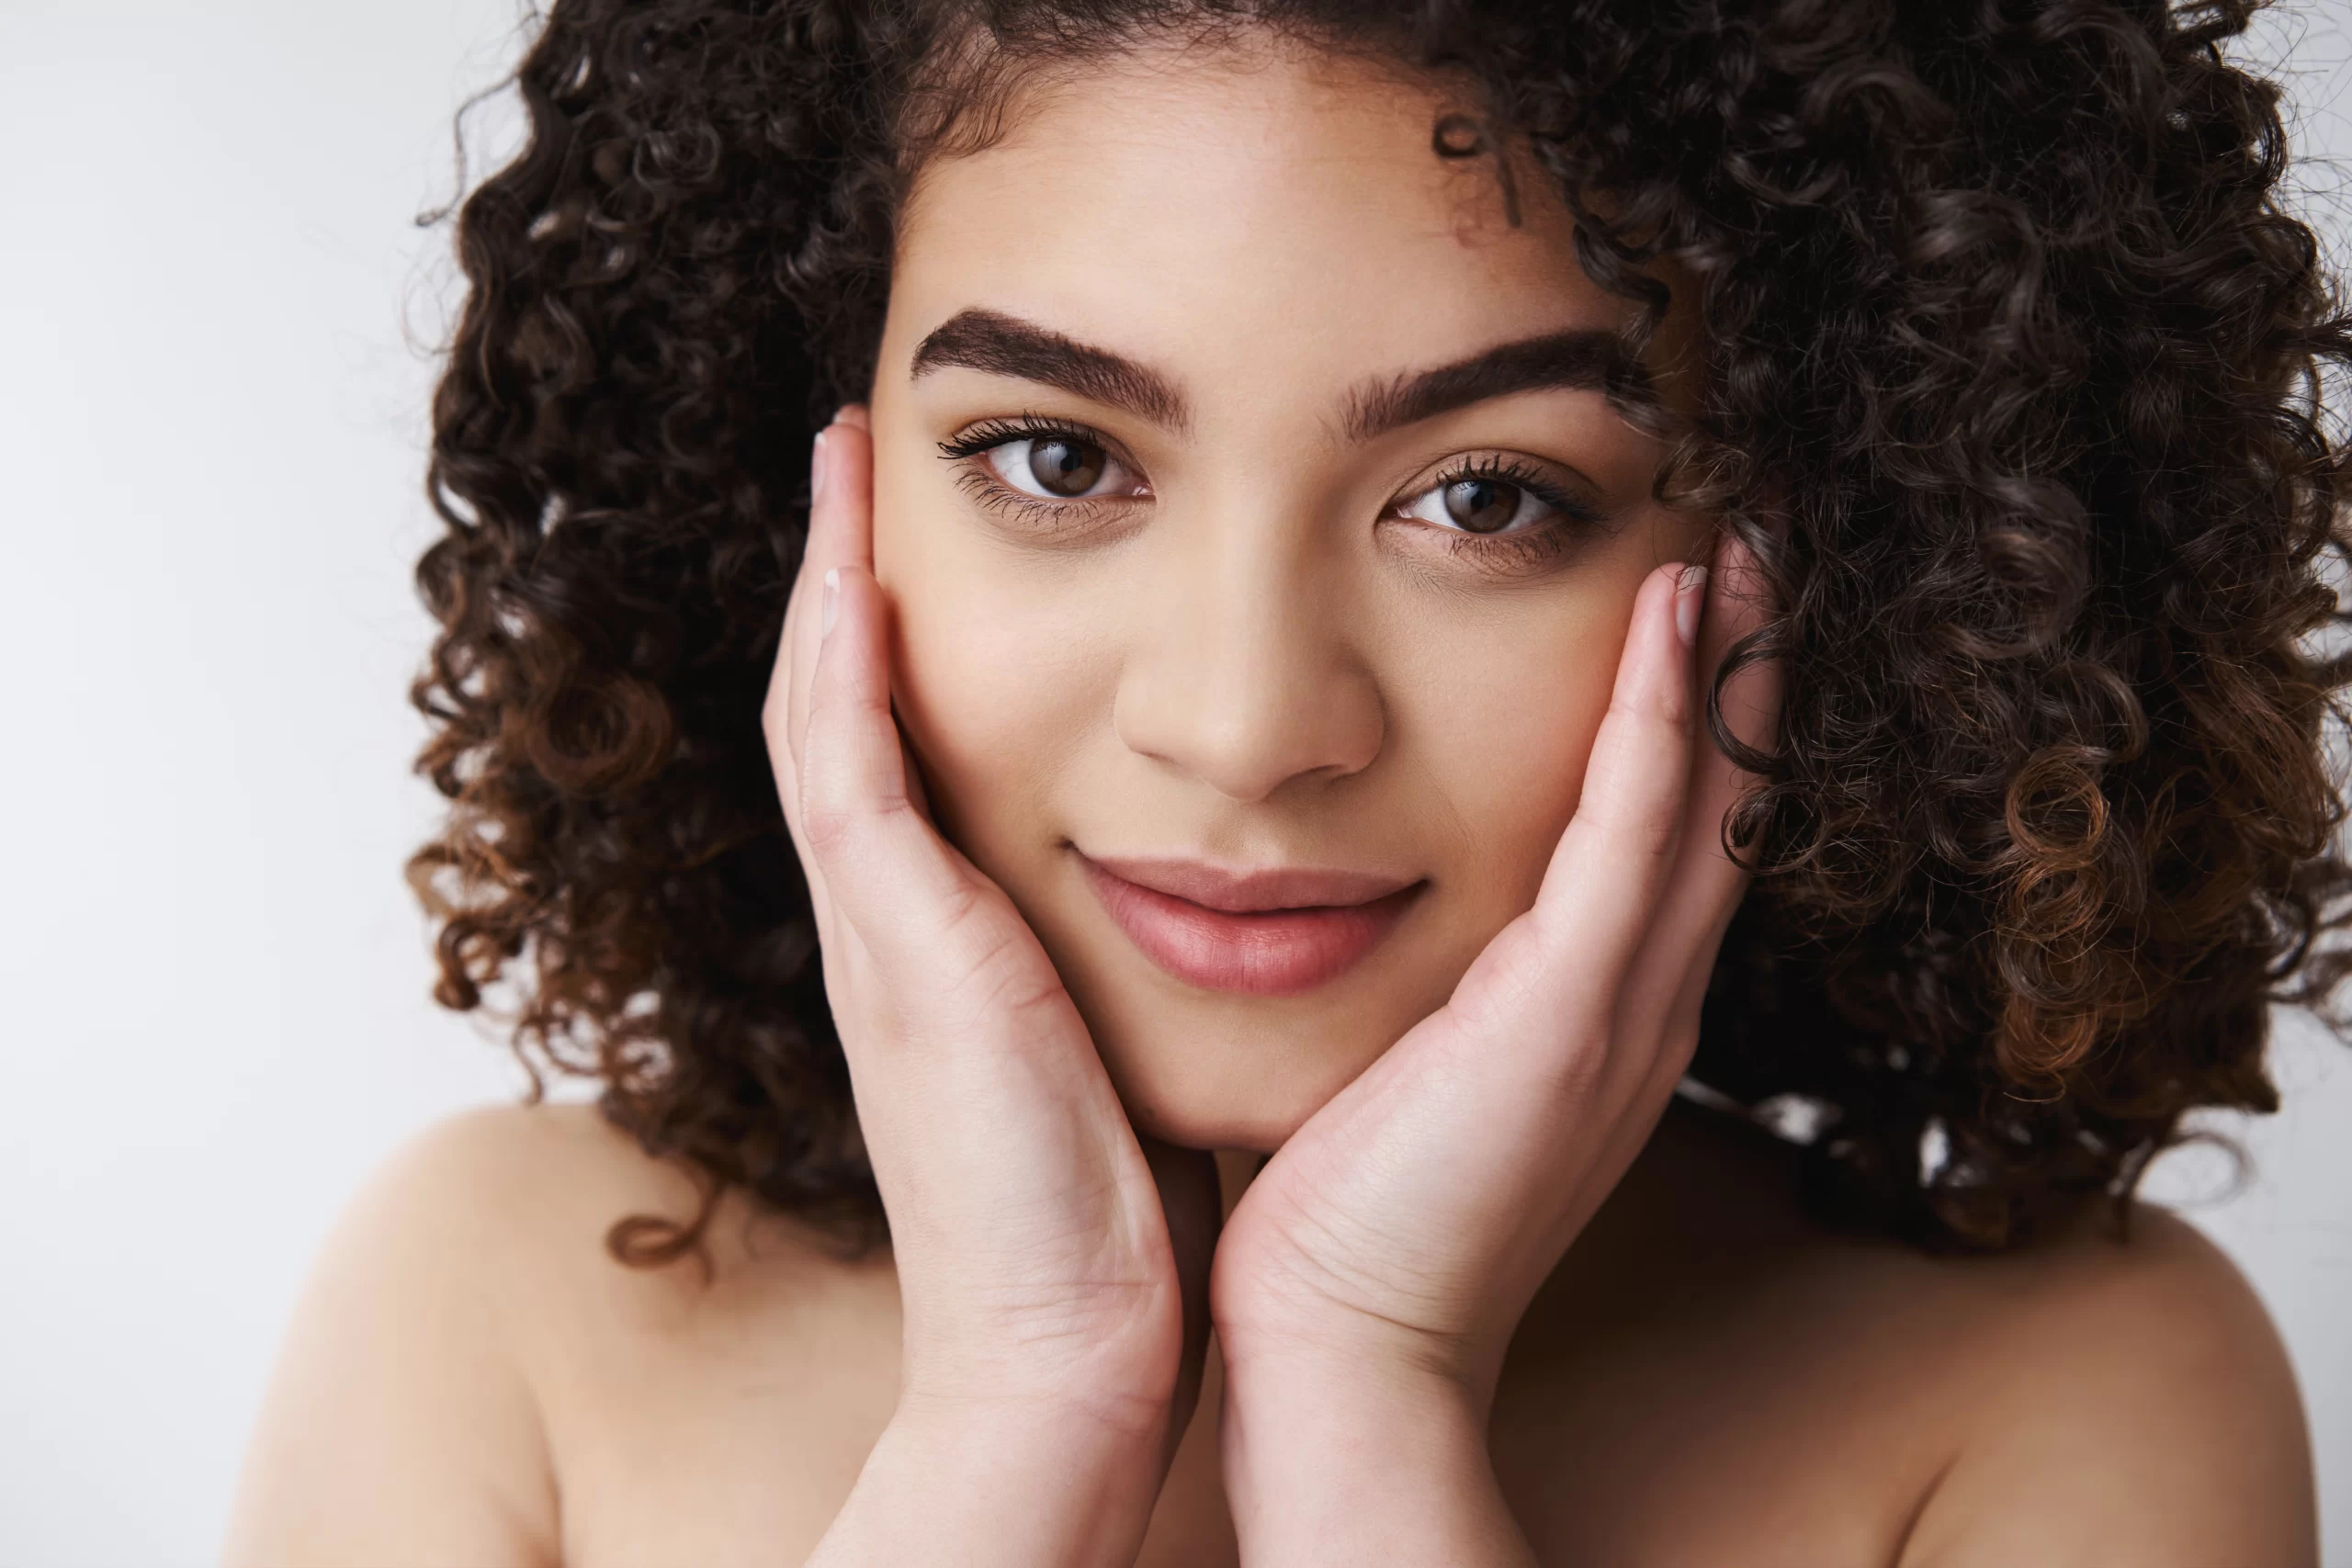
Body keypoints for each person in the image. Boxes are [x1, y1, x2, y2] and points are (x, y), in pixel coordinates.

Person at [226, 0, 2346, 1562]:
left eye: (1487, 497)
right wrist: (1019, 1407)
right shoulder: (510, 1312)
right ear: (804, 493)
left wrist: (1368, 1390)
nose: (1242, 723)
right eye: (1053, 458)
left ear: (1837, 557)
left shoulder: (2058, 1397)